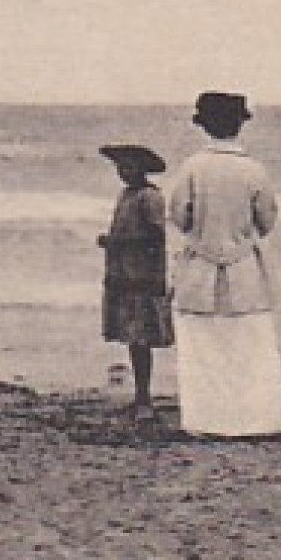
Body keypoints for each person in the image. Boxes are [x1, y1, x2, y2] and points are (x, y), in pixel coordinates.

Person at [168, 92, 281, 438]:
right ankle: (256, 421)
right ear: (240, 125)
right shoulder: (254, 169)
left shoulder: (192, 167)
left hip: (199, 271)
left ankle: (206, 421)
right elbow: (266, 222)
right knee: (249, 344)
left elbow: (179, 216)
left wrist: (204, 233)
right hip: (245, 272)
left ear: (204, 125)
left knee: (203, 346)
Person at [96, 144, 171, 416]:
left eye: (129, 167)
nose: (123, 172)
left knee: (141, 339)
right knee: (132, 337)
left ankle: (144, 400)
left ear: (142, 169)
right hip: (125, 276)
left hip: (142, 278)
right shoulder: (127, 195)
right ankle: (142, 396)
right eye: (120, 167)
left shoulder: (149, 197)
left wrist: (117, 242)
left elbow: (156, 237)